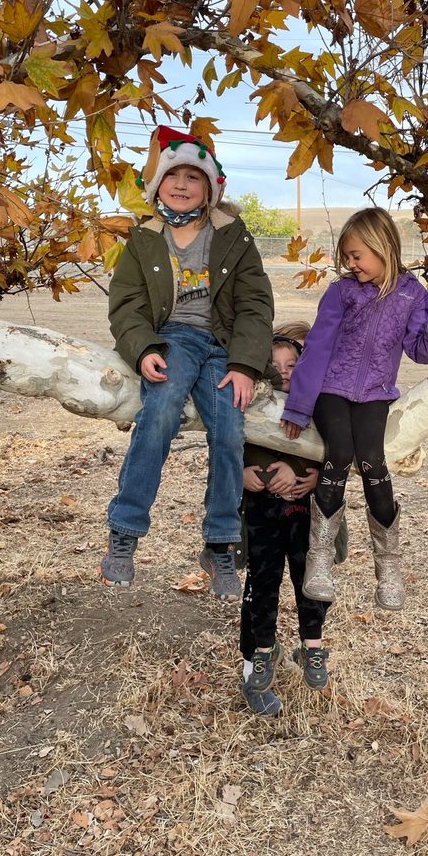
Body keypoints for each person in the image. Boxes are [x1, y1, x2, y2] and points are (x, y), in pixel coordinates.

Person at [99, 127, 274, 601]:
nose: (180, 184)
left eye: (192, 177)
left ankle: (220, 542)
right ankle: (125, 531)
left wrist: (245, 364)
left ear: (210, 187)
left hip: (223, 344)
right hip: (172, 339)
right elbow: (127, 305)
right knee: (158, 413)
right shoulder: (145, 240)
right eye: (172, 174)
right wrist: (144, 349)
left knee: (228, 429)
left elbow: (256, 304)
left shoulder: (232, 236)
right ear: (158, 185)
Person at [279, 208, 428, 610]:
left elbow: (422, 350)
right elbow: (318, 346)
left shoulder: (412, 294)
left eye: (357, 255)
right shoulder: (342, 292)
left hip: (375, 393)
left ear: (382, 247)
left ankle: (388, 565)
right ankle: (320, 559)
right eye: (347, 257)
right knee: (339, 453)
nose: (351, 264)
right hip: (330, 390)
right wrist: (299, 406)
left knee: (373, 460)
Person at [239, 324, 337, 717]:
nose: (283, 372)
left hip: (302, 519)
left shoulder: (318, 407)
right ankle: (253, 669)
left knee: (308, 583)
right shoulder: (249, 402)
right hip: (260, 518)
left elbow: (333, 452)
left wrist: (314, 477)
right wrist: (240, 473)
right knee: (259, 591)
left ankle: (307, 644)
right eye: (275, 364)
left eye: (292, 365)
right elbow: (226, 447)